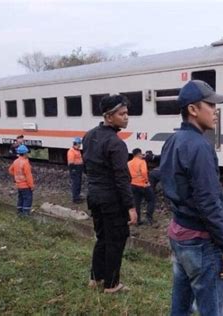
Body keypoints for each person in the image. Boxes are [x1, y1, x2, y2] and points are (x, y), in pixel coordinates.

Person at [160, 80, 223, 316]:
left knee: (181, 304)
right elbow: (209, 203)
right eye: (210, 105)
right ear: (193, 110)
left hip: (179, 233)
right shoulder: (200, 147)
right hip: (201, 242)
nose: (215, 111)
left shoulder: (171, 141)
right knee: (213, 308)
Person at [83, 94, 137, 294]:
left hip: (94, 197)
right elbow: (122, 179)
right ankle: (112, 284)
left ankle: (96, 278)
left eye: (126, 113)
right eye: (122, 113)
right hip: (112, 200)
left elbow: (87, 168)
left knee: (102, 238)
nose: (126, 117)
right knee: (116, 240)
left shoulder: (89, 136)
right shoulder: (116, 143)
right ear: (108, 116)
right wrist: (130, 206)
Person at [128, 148, 155, 225]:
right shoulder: (142, 162)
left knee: (137, 203)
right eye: (141, 154)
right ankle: (149, 218)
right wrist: (147, 181)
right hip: (143, 185)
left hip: (133, 184)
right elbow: (144, 172)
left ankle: (137, 220)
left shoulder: (129, 163)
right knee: (151, 200)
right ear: (139, 154)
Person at [8, 144, 34, 216]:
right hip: (25, 185)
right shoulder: (25, 163)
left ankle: (19, 212)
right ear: (25, 153)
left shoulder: (16, 161)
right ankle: (25, 214)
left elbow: (10, 170)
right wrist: (31, 186)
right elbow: (28, 176)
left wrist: (17, 176)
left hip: (18, 185)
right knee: (27, 199)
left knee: (21, 198)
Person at [67, 137, 84, 203]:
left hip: (78, 169)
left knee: (78, 183)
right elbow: (71, 163)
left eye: (80, 143)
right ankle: (75, 198)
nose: (80, 145)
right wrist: (73, 170)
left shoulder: (77, 150)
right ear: (75, 143)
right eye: (79, 144)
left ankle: (78, 196)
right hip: (75, 169)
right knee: (76, 183)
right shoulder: (71, 151)